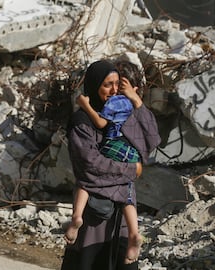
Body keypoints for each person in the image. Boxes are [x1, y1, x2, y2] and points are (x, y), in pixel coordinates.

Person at [61, 59, 161, 270]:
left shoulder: (121, 114)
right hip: (96, 216)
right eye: (107, 85)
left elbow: (151, 141)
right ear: (95, 86)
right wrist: (131, 171)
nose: (114, 90)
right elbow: (90, 164)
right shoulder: (82, 122)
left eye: (117, 84)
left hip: (121, 218)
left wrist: (137, 102)